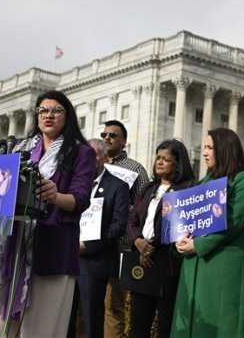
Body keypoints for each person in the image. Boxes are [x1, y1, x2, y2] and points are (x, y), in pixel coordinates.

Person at [0, 90, 95, 337]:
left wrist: (55, 196)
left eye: (55, 110)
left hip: (53, 246)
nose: (48, 115)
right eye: (42, 110)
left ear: (67, 116)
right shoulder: (21, 149)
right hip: (12, 244)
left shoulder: (81, 152)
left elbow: (81, 198)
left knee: (41, 329)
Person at [172, 128, 244, 337]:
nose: (204, 153)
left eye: (210, 147)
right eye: (204, 147)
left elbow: (233, 220)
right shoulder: (204, 182)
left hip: (225, 263)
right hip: (196, 262)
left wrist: (198, 245)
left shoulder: (243, 180)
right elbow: (189, 219)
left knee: (225, 325)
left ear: (225, 149)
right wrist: (181, 238)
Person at [126, 139, 195, 338]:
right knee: (138, 325)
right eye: (158, 157)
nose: (160, 162)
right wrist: (137, 242)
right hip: (142, 261)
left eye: (166, 159)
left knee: (165, 325)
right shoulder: (149, 187)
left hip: (167, 264)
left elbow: (176, 224)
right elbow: (132, 221)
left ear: (178, 164)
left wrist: (151, 245)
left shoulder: (188, 188)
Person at [74, 138, 130, 338]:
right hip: (67, 260)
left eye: (93, 155)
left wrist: (88, 245)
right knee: (67, 318)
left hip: (94, 263)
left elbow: (118, 225)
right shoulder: (74, 183)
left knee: (91, 320)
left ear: (105, 157)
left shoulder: (118, 186)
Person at [101, 119, 151, 337]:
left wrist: (120, 207)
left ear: (124, 142)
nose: (107, 138)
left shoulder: (135, 169)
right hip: (90, 244)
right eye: (104, 134)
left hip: (120, 245)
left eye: (113, 135)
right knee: (86, 304)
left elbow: (144, 206)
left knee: (113, 305)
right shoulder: (94, 165)